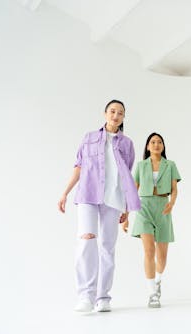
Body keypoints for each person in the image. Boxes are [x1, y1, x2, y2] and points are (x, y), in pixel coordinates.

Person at [58, 99, 140, 313]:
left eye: (120, 113)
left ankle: (103, 298)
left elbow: (126, 176)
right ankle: (86, 295)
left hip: (113, 200)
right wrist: (65, 192)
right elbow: (79, 166)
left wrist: (126, 209)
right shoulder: (89, 138)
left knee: (107, 248)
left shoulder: (127, 144)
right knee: (86, 241)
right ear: (105, 114)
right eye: (112, 111)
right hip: (87, 195)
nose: (116, 115)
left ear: (123, 118)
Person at [122, 133, 181, 308]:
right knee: (148, 251)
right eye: (153, 142)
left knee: (162, 256)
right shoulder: (141, 166)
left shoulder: (170, 165)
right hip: (144, 208)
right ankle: (152, 293)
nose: (156, 144)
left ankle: (158, 280)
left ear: (163, 146)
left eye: (159, 142)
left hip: (163, 208)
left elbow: (174, 189)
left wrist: (172, 203)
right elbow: (133, 192)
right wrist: (125, 216)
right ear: (147, 146)